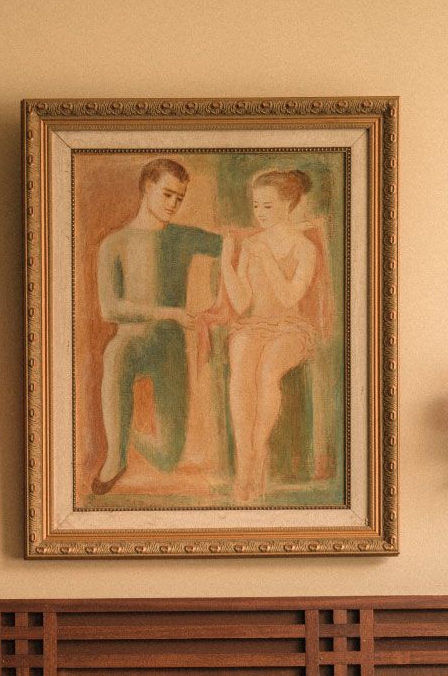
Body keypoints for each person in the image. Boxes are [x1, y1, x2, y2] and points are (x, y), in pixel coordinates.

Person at [92, 158, 222, 494]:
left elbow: (234, 246)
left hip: (170, 348)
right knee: (115, 354)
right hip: (131, 341)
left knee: (167, 459)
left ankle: (129, 433)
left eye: (180, 198)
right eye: (167, 194)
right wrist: (170, 313)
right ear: (148, 188)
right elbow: (110, 309)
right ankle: (116, 456)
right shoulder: (114, 243)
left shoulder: (184, 237)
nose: (174, 204)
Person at [219, 167, 329, 503]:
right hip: (254, 324)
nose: (260, 213)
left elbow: (288, 297)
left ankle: (258, 447)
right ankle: (245, 459)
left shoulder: (304, 248)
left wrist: (268, 260)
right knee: (241, 366)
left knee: (267, 370)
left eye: (268, 206)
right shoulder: (251, 244)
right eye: (256, 205)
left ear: (288, 204)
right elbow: (242, 302)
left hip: (290, 328)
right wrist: (225, 262)